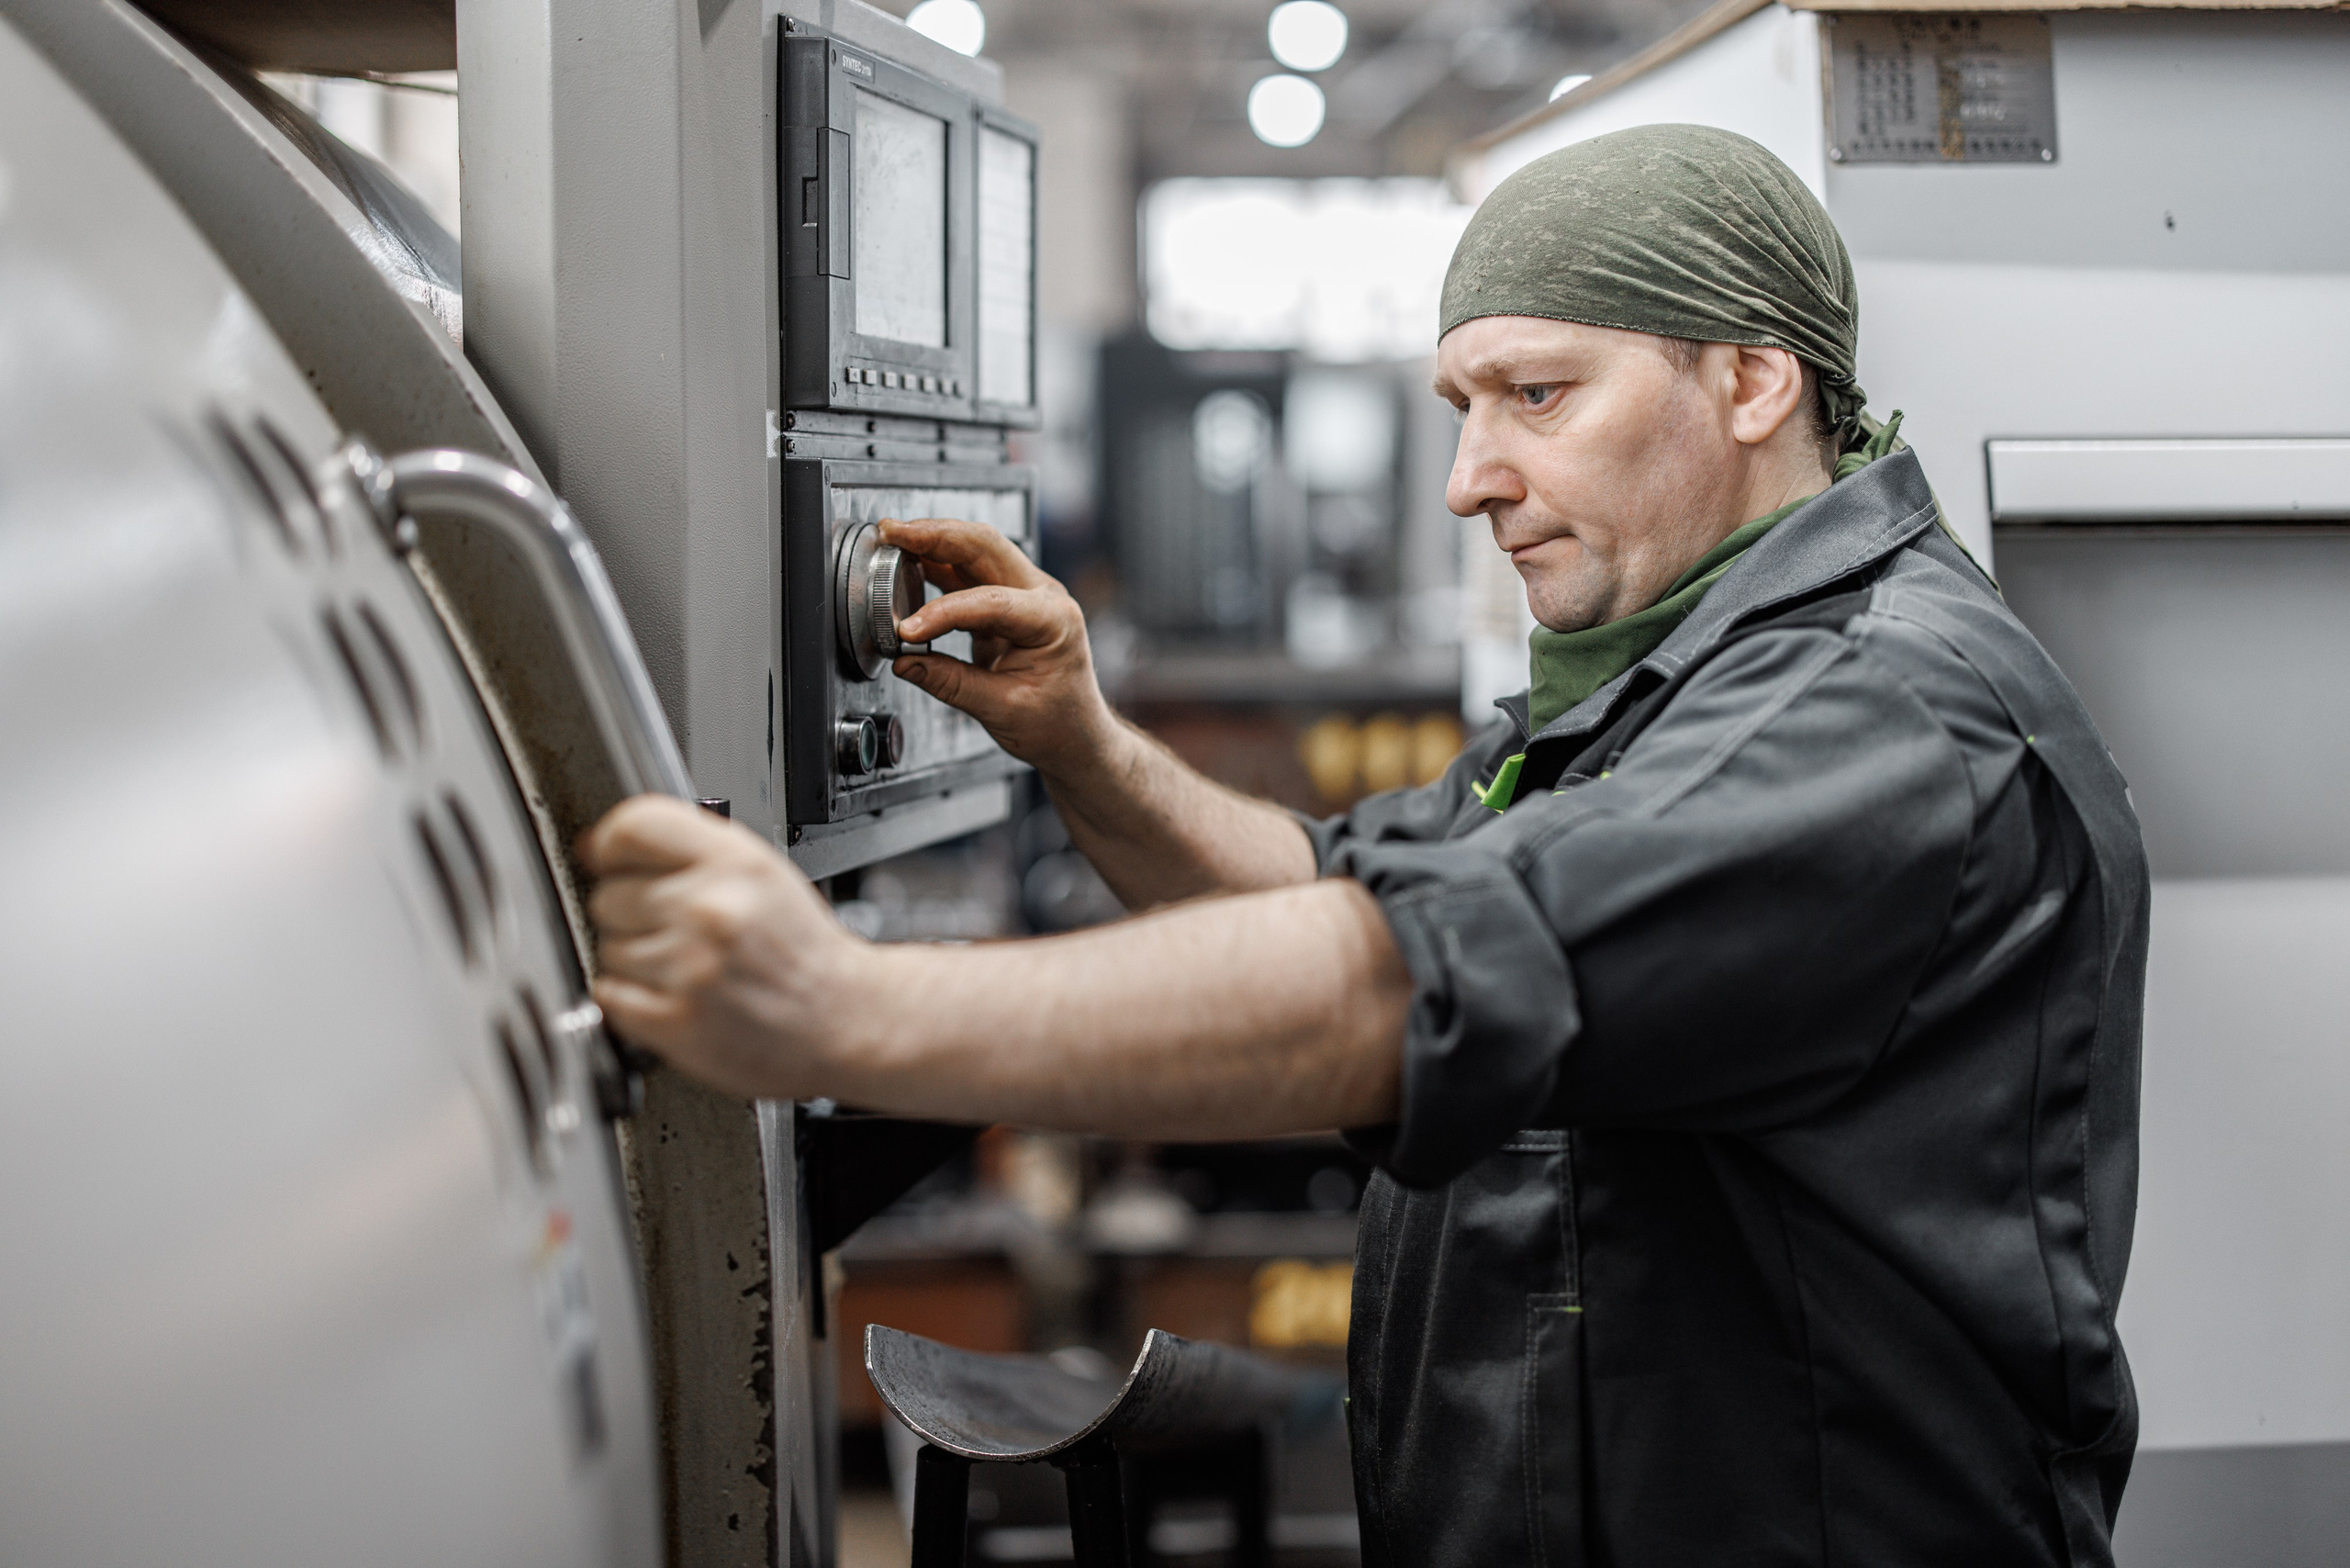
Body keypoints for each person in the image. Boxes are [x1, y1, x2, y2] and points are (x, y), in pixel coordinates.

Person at [581, 125, 2149, 1565]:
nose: (1473, 481)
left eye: (1538, 396)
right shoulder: (1663, 689)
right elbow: (1338, 897)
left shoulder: (1880, 715)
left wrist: (833, 1010)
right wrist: (1083, 739)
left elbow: (1391, 986)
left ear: (1753, 381)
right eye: (1463, 412)